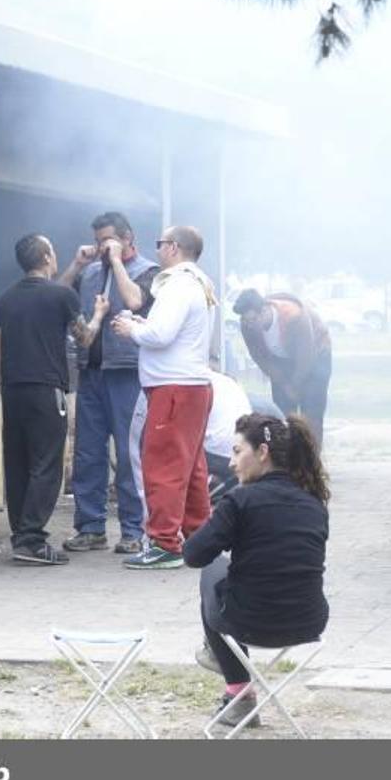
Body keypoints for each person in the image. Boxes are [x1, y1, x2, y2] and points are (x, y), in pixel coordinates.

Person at [184, 413, 330, 728]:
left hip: (249, 622)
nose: (232, 463)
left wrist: (216, 522)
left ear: (262, 452)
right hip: (309, 622)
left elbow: (193, 554)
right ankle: (231, 678)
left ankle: (238, 692)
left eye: (238, 452)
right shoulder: (314, 502)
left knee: (213, 568)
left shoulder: (239, 500)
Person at [0, 233, 108, 565]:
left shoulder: (7, 299)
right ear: (45, 257)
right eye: (53, 252)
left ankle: (20, 535)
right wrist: (99, 314)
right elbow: (84, 338)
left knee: (17, 463)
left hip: (13, 390)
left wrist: (3, 387)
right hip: (46, 391)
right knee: (46, 464)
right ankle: (31, 540)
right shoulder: (62, 296)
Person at [111, 225, 216, 570]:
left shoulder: (177, 284)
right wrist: (144, 324)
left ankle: (164, 543)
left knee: (164, 467)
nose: (157, 251)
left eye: (160, 244)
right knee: (191, 468)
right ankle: (201, 537)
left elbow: (160, 335)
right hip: (192, 387)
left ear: (173, 248)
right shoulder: (199, 283)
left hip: (173, 389)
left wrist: (132, 329)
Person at [55, 212, 160, 555]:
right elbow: (56, 295)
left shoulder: (148, 272)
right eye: (98, 239)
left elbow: (135, 300)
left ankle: (133, 529)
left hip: (128, 372)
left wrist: (116, 261)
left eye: (108, 239)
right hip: (91, 371)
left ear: (127, 238)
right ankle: (90, 526)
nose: (101, 245)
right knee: (87, 451)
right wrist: (76, 263)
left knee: (130, 455)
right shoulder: (90, 273)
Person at [128, 368, 255, 509]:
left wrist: (146, 503)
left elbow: (138, 446)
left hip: (214, 460)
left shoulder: (174, 384)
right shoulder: (228, 382)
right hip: (246, 458)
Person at [232, 289, 333, 446]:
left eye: (252, 320)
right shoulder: (247, 326)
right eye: (245, 321)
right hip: (281, 360)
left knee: (311, 411)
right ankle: (287, 459)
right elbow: (260, 358)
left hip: (315, 353)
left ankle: (311, 460)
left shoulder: (295, 317)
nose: (249, 325)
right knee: (282, 412)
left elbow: (306, 357)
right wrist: (284, 385)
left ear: (264, 310)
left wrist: (295, 385)